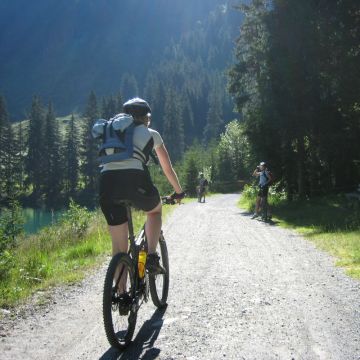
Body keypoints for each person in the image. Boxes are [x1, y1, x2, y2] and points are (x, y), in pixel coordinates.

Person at [97, 97, 185, 275]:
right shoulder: (151, 133)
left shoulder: (112, 133)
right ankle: (151, 258)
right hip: (135, 180)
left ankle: (121, 297)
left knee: (119, 249)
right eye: (149, 117)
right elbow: (167, 169)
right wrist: (178, 192)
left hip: (107, 183)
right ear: (146, 118)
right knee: (154, 211)